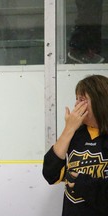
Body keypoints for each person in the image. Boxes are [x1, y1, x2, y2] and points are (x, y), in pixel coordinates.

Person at [42, 74, 108, 216]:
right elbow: (50, 174)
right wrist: (69, 129)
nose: (76, 105)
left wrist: (81, 182)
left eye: (82, 100)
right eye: (76, 99)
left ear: (99, 102)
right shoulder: (76, 135)